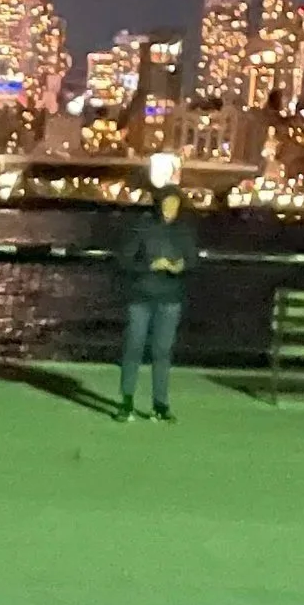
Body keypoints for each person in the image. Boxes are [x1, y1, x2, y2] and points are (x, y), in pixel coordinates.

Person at [111, 167, 200, 421]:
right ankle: (126, 401)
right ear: (159, 204)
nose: (169, 210)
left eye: (174, 205)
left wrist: (181, 266)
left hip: (170, 298)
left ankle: (160, 404)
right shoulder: (142, 227)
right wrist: (149, 265)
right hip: (141, 297)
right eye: (166, 204)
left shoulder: (184, 231)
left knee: (162, 351)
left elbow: (193, 260)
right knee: (134, 349)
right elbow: (124, 260)